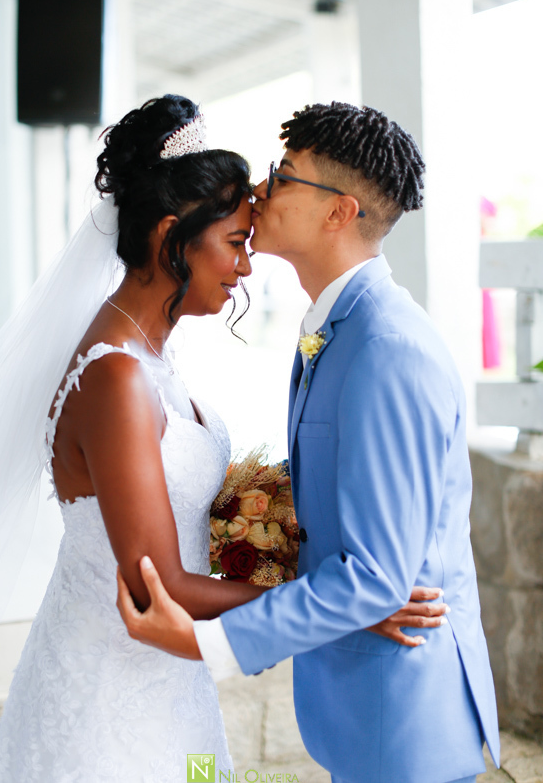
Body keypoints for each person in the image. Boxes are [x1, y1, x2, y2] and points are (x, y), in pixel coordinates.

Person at [0, 96, 441, 783]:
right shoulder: (116, 376)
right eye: (235, 243)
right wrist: (345, 608)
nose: (246, 268)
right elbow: (161, 586)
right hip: (111, 694)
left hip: (171, 675)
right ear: (171, 236)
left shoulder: (152, 355)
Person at [117, 101, 501, 783]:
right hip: (364, 706)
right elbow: (337, 485)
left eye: (285, 173)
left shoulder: (388, 347)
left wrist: (208, 641)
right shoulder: (338, 325)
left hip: (403, 716)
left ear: (339, 212)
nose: (261, 189)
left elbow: (379, 578)